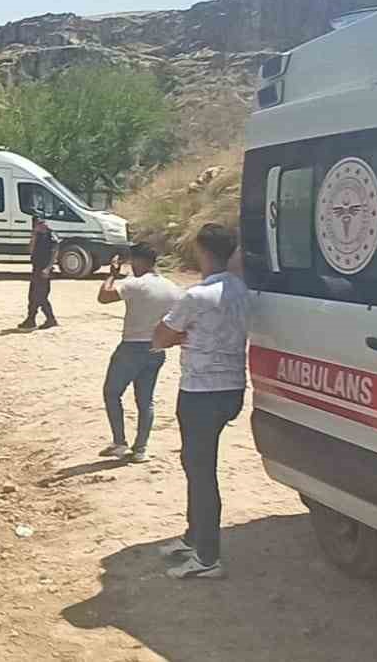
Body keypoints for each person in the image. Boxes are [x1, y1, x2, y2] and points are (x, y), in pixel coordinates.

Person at [152, 223, 248, 580]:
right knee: (196, 466)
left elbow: (160, 337)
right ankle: (194, 538)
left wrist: (180, 336)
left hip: (200, 392)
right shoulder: (243, 290)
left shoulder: (196, 296)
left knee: (201, 471)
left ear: (202, 252)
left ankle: (207, 556)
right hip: (233, 388)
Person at [95, 242, 181, 463]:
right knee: (146, 400)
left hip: (132, 346)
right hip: (156, 348)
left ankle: (120, 442)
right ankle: (140, 448)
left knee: (112, 392)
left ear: (139, 260)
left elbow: (104, 297)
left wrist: (112, 275)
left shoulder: (136, 284)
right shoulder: (173, 288)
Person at [19, 210, 59, 329]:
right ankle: (32, 319)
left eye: (40, 223)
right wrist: (34, 235)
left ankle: (49, 319)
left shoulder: (51, 235)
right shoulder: (37, 235)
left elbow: (55, 253)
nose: (39, 226)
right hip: (36, 268)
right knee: (32, 296)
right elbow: (30, 250)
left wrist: (48, 268)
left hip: (44, 270)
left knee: (41, 296)